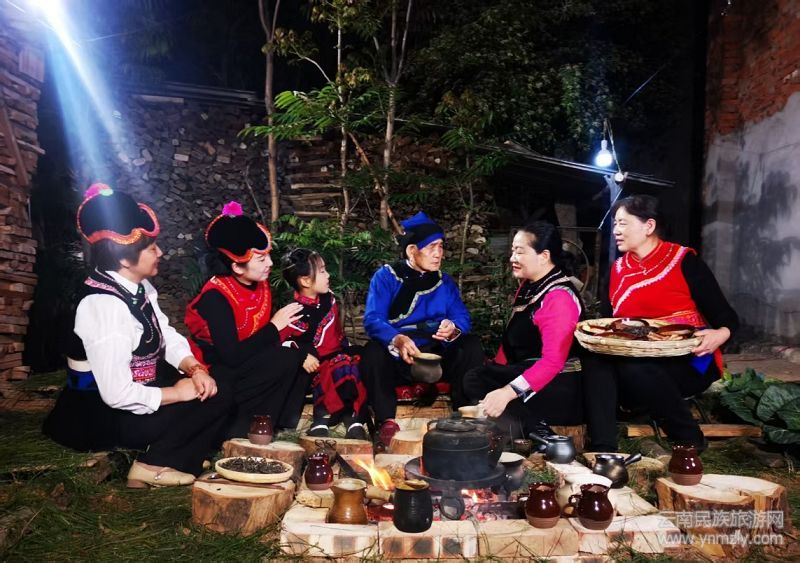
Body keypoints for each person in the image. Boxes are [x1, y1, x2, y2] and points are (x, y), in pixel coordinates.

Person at [43, 184, 231, 488]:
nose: (161, 253)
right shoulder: (103, 305)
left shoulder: (140, 287)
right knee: (208, 402)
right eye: (152, 248)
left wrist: (194, 368)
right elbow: (117, 394)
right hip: (98, 416)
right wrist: (177, 393)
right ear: (124, 259)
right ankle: (151, 465)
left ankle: (179, 453)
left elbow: (165, 333)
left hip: (136, 396)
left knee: (216, 388)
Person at [583, 194, 739, 451]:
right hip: (634, 358)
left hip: (693, 358)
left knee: (637, 369)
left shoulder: (684, 261)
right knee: (595, 361)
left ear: (649, 226)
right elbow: (609, 324)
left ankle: (689, 438)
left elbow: (727, 318)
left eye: (623, 223)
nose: (615, 230)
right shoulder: (617, 269)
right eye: (614, 224)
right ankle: (604, 450)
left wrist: (720, 334)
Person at [184, 202, 309, 439]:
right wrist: (274, 327)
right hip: (217, 368)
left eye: (268, 256)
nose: (270, 264)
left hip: (247, 359)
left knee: (295, 356)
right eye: (261, 260)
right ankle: (236, 429)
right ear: (237, 267)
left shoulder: (260, 285)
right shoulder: (216, 296)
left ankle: (274, 425)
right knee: (279, 361)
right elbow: (230, 356)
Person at [360, 212, 485, 444]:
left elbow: (462, 318)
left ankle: (466, 418)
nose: (438, 253)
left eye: (441, 246)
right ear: (411, 251)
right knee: (372, 352)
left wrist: (453, 327)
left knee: (471, 345)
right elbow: (373, 319)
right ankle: (386, 423)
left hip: (437, 355)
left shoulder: (444, 282)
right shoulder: (386, 277)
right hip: (401, 356)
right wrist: (396, 338)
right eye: (431, 247)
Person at [462, 221, 584, 437]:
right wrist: (495, 370)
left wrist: (506, 392)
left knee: (477, 380)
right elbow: (513, 339)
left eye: (519, 252)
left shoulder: (559, 297)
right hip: (528, 374)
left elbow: (552, 362)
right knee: (475, 377)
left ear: (544, 256)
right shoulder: (530, 286)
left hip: (557, 385)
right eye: (512, 251)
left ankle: (540, 434)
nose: (512, 258)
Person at [279, 248, 367, 440]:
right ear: (305, 281)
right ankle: (322, 419)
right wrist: (301, 355)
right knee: (336, 365)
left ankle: (353, 421)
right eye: (322, 271)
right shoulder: (292, 313)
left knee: (350, 360)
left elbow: (337, 335)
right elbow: (280, 343)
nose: (328, 275)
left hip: (337, 354)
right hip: (312, 365)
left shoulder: (330, 300)